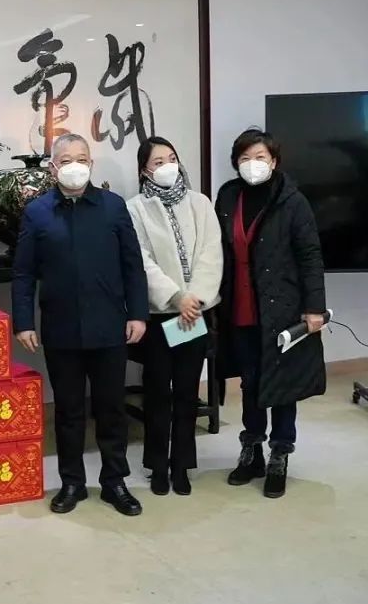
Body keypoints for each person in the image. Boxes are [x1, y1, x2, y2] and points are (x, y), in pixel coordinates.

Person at [12, 133, 149, 517]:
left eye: (82, 159)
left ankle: (115, 481)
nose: (75, 166)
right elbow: (23, 273)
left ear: (91, 164)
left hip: (110, 326)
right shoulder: (37, 212)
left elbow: (133, 265)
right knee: (69, 410)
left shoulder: (112, 206)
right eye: (67, 160)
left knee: (111, 408)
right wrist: (23, 322)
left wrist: (138, 313)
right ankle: (71, 482)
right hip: (62, 329)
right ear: (53, 167)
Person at [214, 128, 327, 499]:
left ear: (274, 161)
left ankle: (280, 454)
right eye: (245, 158)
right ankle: (251, 450)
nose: (253, 164)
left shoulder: (292, 201)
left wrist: (314, 307)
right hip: (240, 306)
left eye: (260, 157)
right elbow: (219, 250)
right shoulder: (228, 195)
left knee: (282, 384)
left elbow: (310, 255)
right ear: (236, 163)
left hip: (282, 308)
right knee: (249, 382)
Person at [126, 137, 223, 497]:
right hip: (158, 316)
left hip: (193, 315)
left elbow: (211, 254)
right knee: (157, 393)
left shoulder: (200, 203)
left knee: (186, 391)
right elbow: (141, 261)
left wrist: (194, 299)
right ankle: (157, 464)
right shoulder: (135, 209)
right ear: (144, 170)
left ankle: (181, 463)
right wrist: (175, 296)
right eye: (158, 162)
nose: (167, 166)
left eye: (172, 158)